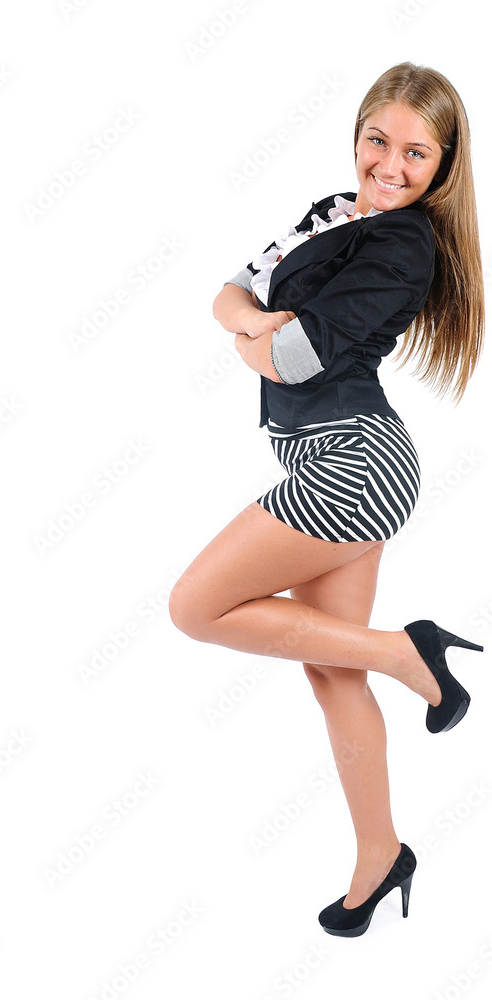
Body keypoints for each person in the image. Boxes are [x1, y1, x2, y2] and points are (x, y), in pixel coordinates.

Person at [168, 62, 485, 938]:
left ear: (443, 164)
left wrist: (253, 338)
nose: (389, 164)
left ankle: (408, 653)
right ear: (356, 135)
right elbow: (227, 291)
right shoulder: (333, 212)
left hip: (352, 461)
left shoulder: (404, 245)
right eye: (377, 140)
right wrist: (250, 322)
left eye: (415, 153)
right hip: (340, 458)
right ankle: (381, 855)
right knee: (331, 671)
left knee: (194, 607)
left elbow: (292, 359)